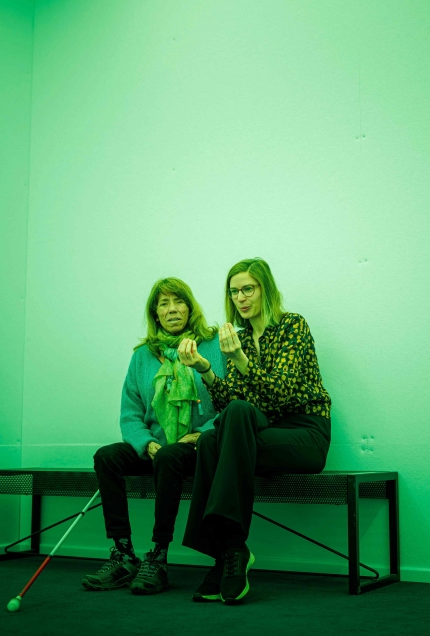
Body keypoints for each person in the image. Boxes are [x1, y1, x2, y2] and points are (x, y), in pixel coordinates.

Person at [177, 258, 332, 605]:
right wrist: (206, 370)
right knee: (218, 431)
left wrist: (243, 361)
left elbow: (282, 395)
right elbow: (230, 403)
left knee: (224, 432)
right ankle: (231, 550)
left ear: (266, 289)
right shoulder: (240, 337)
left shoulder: (292, 326)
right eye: (234, 292)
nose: (241, 298)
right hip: (259, 432)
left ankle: (225, 552)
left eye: (248, 289)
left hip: (304, 434)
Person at [82, 277, 226, 595]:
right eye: (164, 303)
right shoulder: (142, 357)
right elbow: (131, 414)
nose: (172, 309)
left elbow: (230, 401)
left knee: (170, 455)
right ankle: (123, 554)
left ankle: (158, 558)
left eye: (178, 301)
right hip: (154, 448)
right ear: (155, 313)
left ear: (190, 307)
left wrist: (202, 434)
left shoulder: (214, 346)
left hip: (193, 449)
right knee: (106, 456)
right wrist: (146, 442)